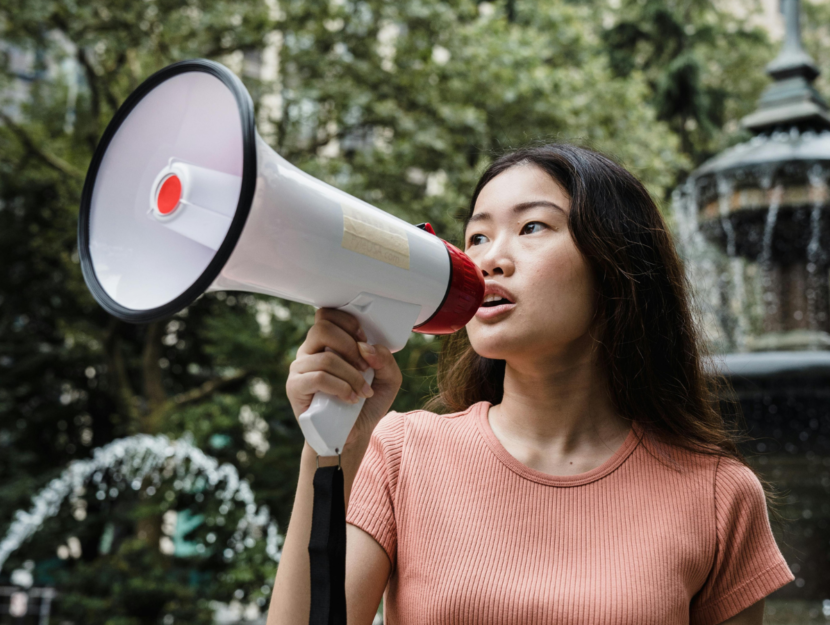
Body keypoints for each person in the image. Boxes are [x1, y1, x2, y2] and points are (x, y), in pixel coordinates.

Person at [267, 144, 794, 625]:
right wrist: (331, 445)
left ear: (614, 264)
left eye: (532, 227)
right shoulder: (403, 452)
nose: (489, 258)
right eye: (477, 236)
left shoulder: (720, 494)